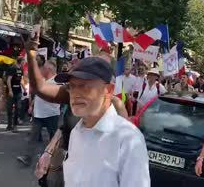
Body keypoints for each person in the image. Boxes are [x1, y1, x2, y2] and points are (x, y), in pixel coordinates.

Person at [54, 57, 150, 187]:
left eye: (84, 86)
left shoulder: (128, 139)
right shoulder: (76, 132)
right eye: (71, 87)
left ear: (109, 90)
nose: (75, 94)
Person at [17, 60, 60, 167]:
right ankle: (27, 158)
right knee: (33, 136)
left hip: (51, 114)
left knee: (54, 138)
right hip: (39, 114)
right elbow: (38, 95)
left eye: (44, 68)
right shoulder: (43, 80)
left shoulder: (57, 81)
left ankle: (55, 160)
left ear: (49, 69)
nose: (42, 70)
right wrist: (32, 105)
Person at [6, 57, 24, 132]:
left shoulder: (21, 69)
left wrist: (24, 88)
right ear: (21, 61)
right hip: (12, 91)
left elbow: (21, 79)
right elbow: (8, 80)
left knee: (18, 108)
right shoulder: (12, 68)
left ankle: (15, 125)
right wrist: (10, 90)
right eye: (23, 61)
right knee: (9, 108)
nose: (24, 63)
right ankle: (9, 124)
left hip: (18, 91)